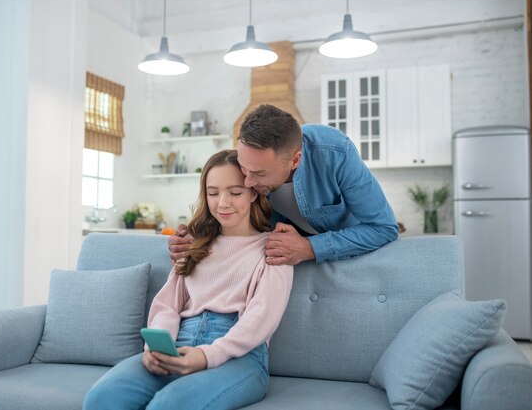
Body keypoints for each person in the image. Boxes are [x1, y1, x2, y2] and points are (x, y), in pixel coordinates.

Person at [83, 149, 294, 410]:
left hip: (240, 356)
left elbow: (260, 319)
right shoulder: (194, 246)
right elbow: (167, 306)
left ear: (253, 192)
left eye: (235, 192)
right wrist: (156, 348)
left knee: (169, 405)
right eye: (213, 192)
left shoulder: (275, 247)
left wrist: (206, 356)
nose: (223, 203)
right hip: (179, 343)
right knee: (102, 397)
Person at [169, 104, 399, 266]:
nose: (247, 181)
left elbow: (384, 228)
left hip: (348, 255)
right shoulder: (250, 162)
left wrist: (309, 248)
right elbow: (235, 217)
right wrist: (196, 239)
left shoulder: (335, 152)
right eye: (244, 167)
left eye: (259, 173)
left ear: (295, 160)